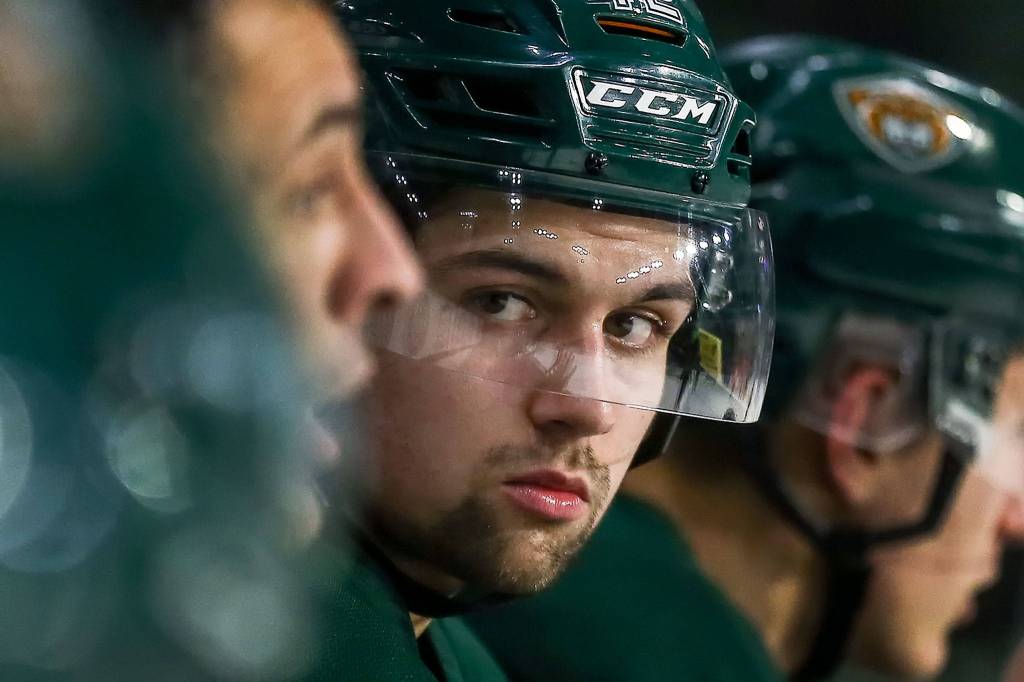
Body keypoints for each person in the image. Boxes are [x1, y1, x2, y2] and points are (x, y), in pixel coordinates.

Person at [466, 35, 1024, 682]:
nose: (1016, 521)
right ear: (866, 415)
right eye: (1013, 440)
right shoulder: (651, 658)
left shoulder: (515, 577)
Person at [310, 0, 775, 678]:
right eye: (502, 303)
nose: (589, 407)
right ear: (333, 284)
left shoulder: (449, 651)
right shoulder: (223, 632)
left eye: (635, 326)